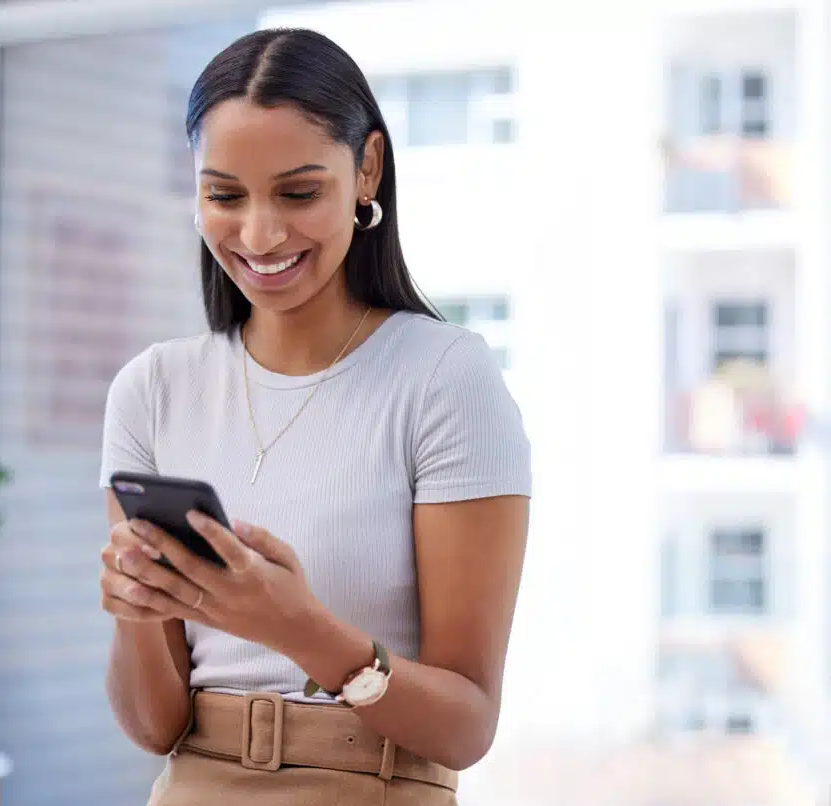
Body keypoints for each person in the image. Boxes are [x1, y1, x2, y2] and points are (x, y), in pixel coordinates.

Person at [98, 27, 532, 806]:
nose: (260, 236)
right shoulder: (152, 390)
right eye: (224, 195)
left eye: (298, 193)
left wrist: (297, 629)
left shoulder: (444, 378)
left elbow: (466, 727)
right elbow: (155, 728)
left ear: (366, 169)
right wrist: (134, 612)